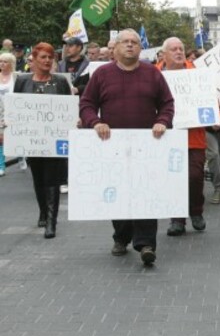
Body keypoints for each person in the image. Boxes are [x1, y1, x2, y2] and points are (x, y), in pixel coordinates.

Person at [79, 28, 175, 265]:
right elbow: (87, 105)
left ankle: (146, 245)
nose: (130, 45)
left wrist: (162, 122)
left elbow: (167, 104)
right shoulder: (101, 74)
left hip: (147, 146)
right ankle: (121, 237)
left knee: (145, 192)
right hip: (112, 146)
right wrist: (96, 122)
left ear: (140, 48)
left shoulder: (152, 73)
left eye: (134, 42)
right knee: (118, 192)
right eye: (125, 42)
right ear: (116, 48)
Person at [13, 43, 72, 237]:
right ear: (34, 60)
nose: (47, 61)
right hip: (32, 140)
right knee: (38, 178)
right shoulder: (22, 81)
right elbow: (16, 107)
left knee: (52, 180)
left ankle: (51, 222)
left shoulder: (60, 82)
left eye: (50, 58)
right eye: (43, 57)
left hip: (54, 140)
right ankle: (43, 212)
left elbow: (68, 109)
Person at [157, 36, 207, 236]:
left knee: (195, 176)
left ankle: (196, 211)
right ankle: (177, 220)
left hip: (194, 135)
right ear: (164, 54)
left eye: (181, 48)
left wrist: (217, 117)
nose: (178, 52)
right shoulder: (155, 74)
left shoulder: (197, 73)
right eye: (174, 49)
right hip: (167, 135)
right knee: (174, 178)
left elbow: (210, 96)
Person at [0, 51, 17, 177]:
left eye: (5, 62)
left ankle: (21, 155)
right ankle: (1, 166)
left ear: (11, 64)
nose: (2, 64)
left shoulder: (16, 77)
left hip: (14, 111)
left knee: (14, 136)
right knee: (0, 138)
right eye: (1, 61)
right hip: (0, 111)